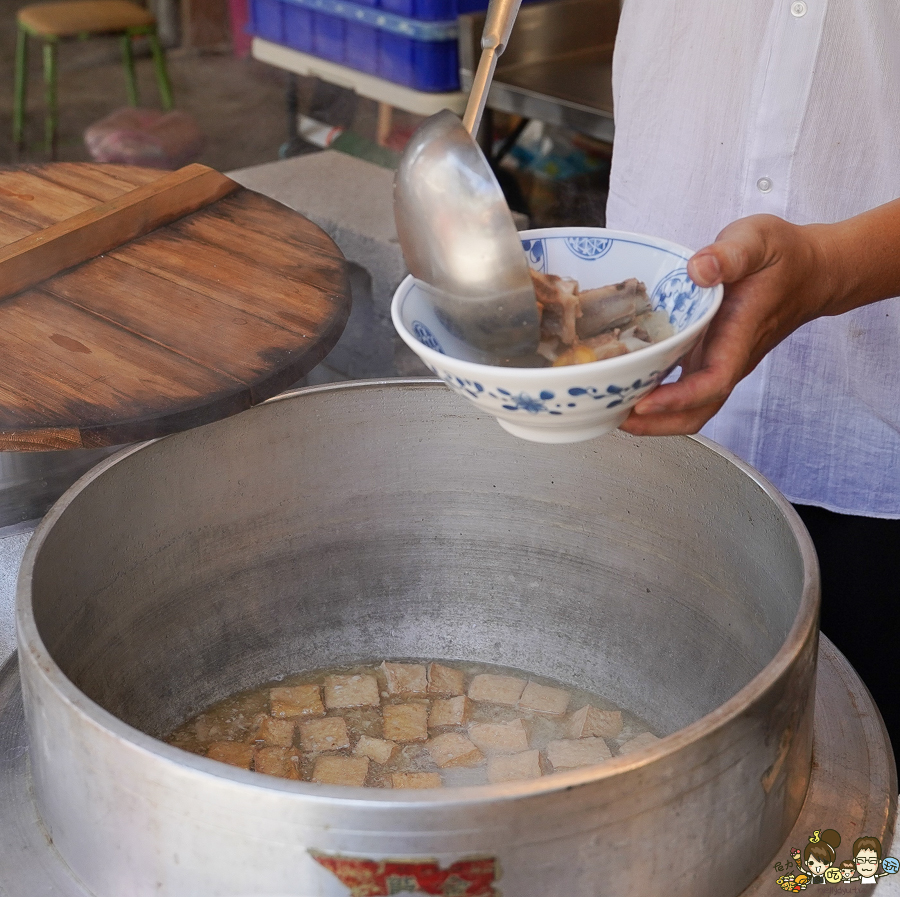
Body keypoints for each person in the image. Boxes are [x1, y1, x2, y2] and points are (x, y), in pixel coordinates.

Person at [606, 0, 900, 767]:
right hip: (650, 365)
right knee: (662, 779)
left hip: (878, 426)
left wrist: (832, 267)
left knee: (864, 822)